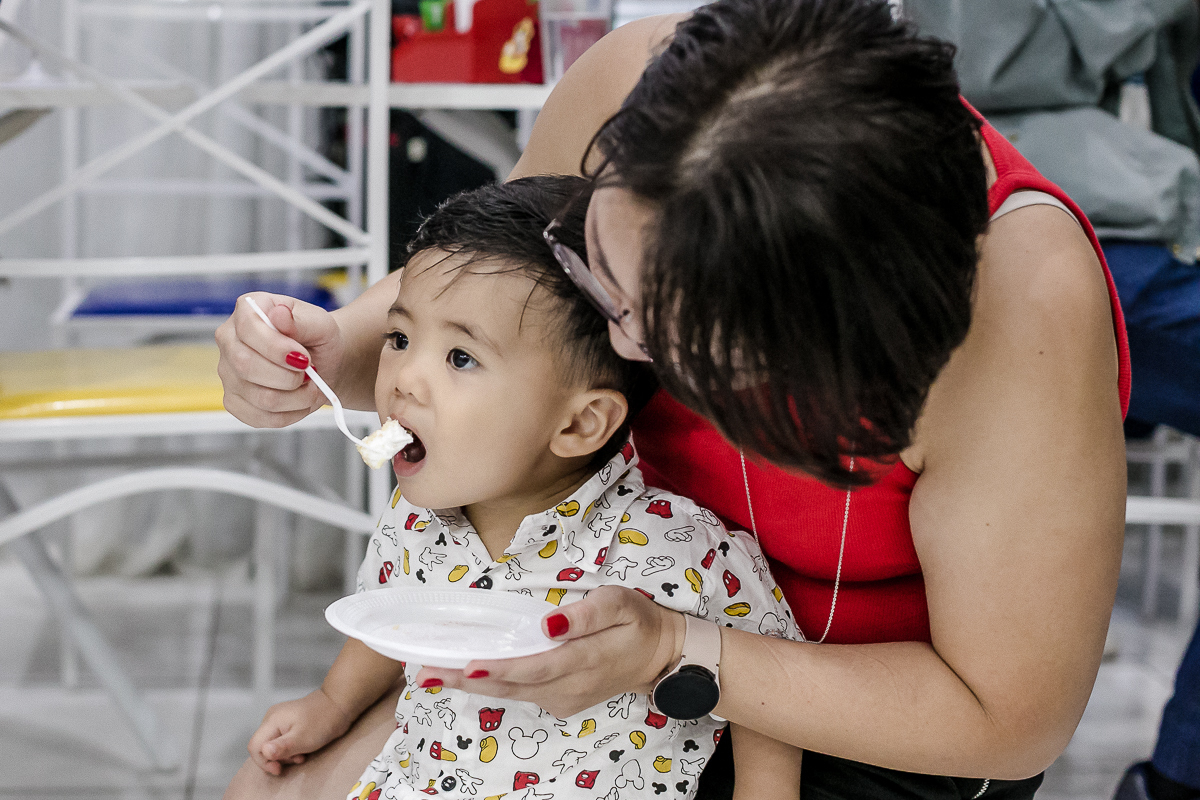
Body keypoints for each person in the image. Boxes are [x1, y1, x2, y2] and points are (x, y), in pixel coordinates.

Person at [217, 1, 1130, 797]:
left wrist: (678, 651)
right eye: (599, 267)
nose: (617, 345)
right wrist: (343, 345)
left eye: (668, 338)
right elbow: (497, 295)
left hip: (864, 725)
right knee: (275, 783)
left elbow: (1007, 719)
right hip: (596, 611)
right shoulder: (634, 84)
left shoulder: (1022, 309)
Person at [237, 176, 805, 800]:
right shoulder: (417, 518)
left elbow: (767, 679)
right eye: (400, 339)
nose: (403, 378)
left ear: (579, 423)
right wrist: (331, 703)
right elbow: (392, 617)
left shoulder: (671, 546)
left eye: (460, 358)